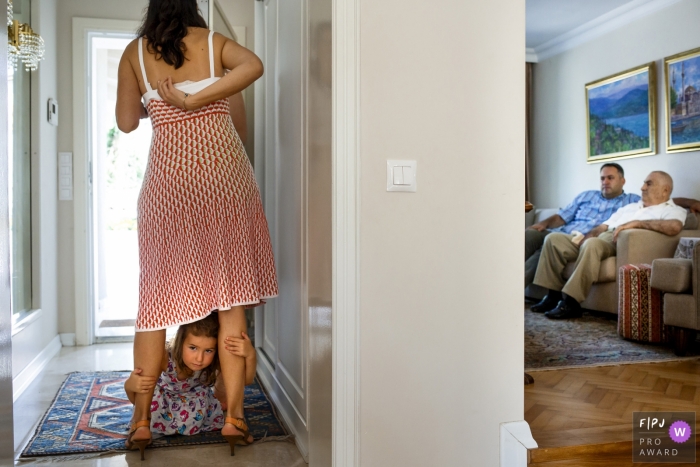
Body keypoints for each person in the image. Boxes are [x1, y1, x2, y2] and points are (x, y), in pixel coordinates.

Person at [115, 0, 278, 459]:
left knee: (155, 304)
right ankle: (234, 418)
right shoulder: (213, 46)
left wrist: (164, 103)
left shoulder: (135, 53)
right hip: (225, 183)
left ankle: (141, 422)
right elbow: (251, 81)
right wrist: (201, 97)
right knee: (230, 303)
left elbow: (126, 122)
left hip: (169, 186)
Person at [533, 171, 687, 319]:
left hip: (618, 242)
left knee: (593, 245)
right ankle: (552, 295)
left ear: (665, 189)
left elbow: (674, 227)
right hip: (601, 237)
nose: (642, 187)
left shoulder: (673, 210)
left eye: (648, 183)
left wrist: (638, 223)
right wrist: (587, 237)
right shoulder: (631, 206)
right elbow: (603, 226)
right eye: (643, 183)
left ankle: (571, 302)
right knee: (553, 239)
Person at [123, 314, 257, 455]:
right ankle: (234, 421)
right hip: (165, 411)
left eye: (208, 351)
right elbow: (136, 400)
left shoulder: (212, 363)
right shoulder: (166, 358)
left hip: (194, 411)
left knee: (226, 382)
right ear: (181, 342)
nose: (199, 358)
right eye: (193, 348)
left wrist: (250, 354)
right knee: (145, 388)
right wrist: (129, 385)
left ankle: (140, 429)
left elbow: (245, 381)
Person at [526, 163, 640, 295]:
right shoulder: (586, 196)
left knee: (550, 242)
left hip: (580, 239)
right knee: (529, 234)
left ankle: (512, 289)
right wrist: (543, 224)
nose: (605, 182)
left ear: (622, 181)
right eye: (602, 178)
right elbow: (562, 217)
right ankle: (503, 277)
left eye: (610, 178)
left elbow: (652, 209)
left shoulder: (632, 201)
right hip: (561, 232)